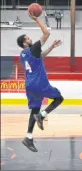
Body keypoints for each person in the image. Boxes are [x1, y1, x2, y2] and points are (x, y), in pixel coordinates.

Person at [17, 11, 64, 152]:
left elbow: (41, 56)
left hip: (29, 85)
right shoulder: (33, 48)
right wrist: (37, 19)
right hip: (39, 83)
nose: (30, 39)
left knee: (34, 110)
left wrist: (51, 47)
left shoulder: (23, 54)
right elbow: (46, 33)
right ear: (25, 42)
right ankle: (42, 116)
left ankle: (28, 137)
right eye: (28, 38)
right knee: (59, 98)